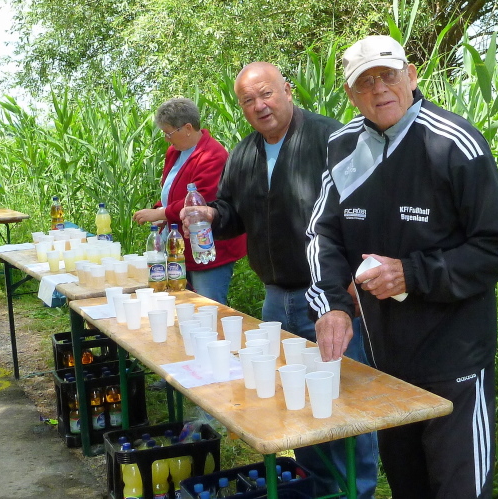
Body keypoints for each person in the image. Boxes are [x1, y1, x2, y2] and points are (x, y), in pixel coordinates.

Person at [306, 35, 498, 498]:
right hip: (386, 362)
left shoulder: (453, 142)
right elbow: (323, 233)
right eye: (365, 82)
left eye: (388, 75)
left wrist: (412, 274)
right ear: (350, 94)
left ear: (411, 75)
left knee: (459, 490)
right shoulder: (342, 146)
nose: (379, 89)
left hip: (455, 360)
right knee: (408, 487)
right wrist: (333, 304)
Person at [179, 62, 378, 498]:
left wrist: (353, 284)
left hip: (329, 299)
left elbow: (364, 210)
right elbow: (232, 214)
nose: (260, 106)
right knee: (298, 402)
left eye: (266, 94)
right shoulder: (244, 153)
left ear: (287, 90)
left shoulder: (332, 139)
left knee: (346, 402)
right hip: (276, 299)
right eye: (248, 100)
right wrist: (210, 214)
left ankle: (358, 489)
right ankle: (314, 486)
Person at [132, 98, 247, 304]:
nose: (166, 138)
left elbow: (201, 203)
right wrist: (160, 211)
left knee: (208, 305)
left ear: (187, 128)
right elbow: (171, 190)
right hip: (180, 244)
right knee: (183, 303)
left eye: (169, 133)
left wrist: (161, 213)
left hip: (209, 247)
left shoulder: (213, 155)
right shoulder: (175, 152)